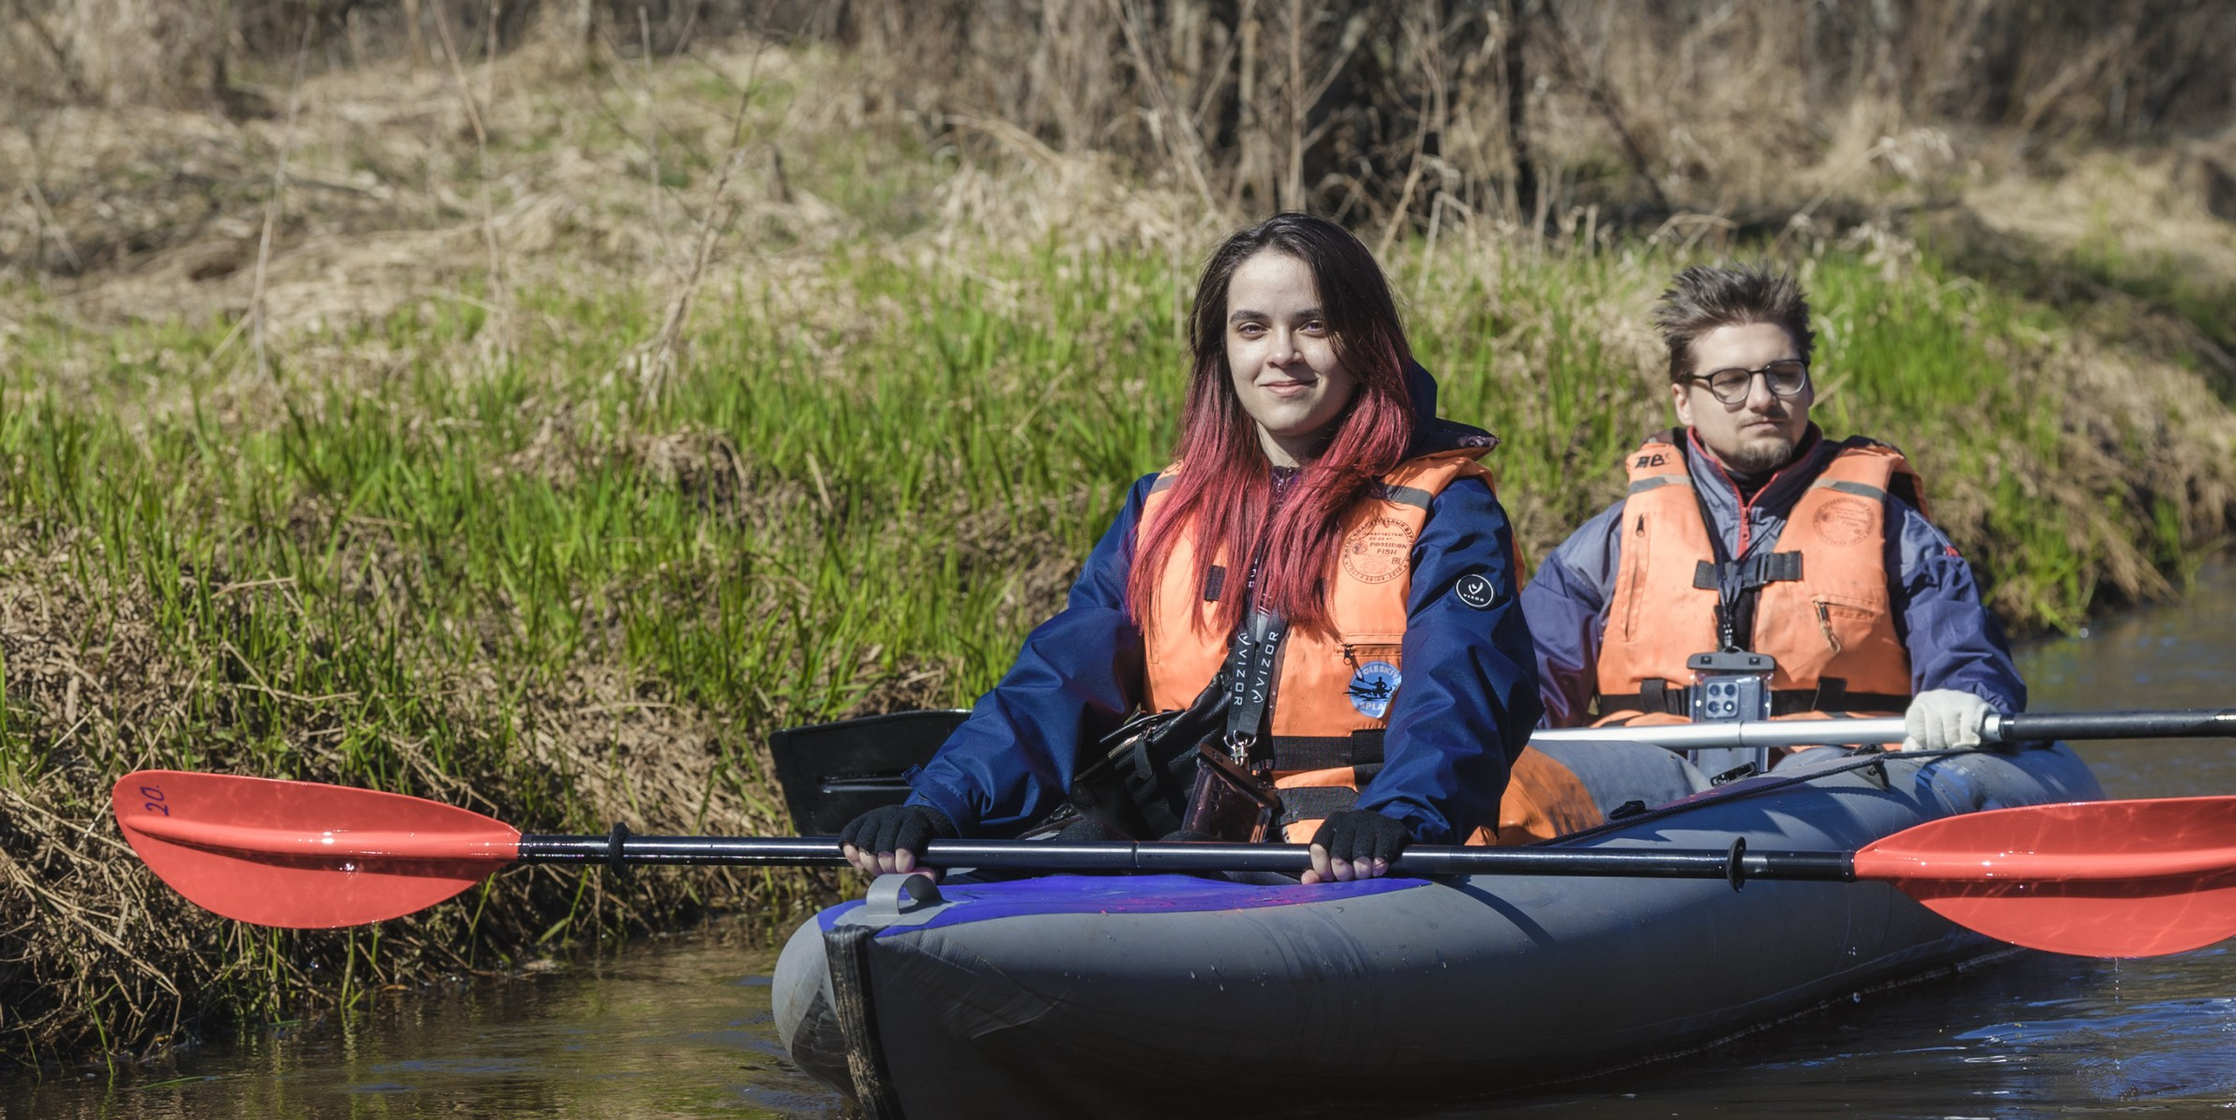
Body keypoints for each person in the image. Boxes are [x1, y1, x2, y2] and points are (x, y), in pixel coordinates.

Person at [843, 215, 1557, 886]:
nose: (1282, 353)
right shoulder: (1160, 506)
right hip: (1198, 847)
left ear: (1365, 341)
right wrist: (940, 802)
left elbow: (1462, 686)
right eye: (1253, 328)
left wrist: (1399, 815)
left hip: (1367, 850)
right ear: (1223, 350)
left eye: (1314, 325)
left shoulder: (1449, 506)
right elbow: (1059, 680)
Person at [1520, 258, 2024, 747]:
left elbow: (1968, 660)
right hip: (1649, 790)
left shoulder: (1900, 536)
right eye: (1730, 382)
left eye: (1782, 374)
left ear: (1808, 385)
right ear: (1682, 399)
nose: (1762, 398)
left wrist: (1963, 698)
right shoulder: (1606, 546)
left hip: (1845, 785)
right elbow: (1527, 692)